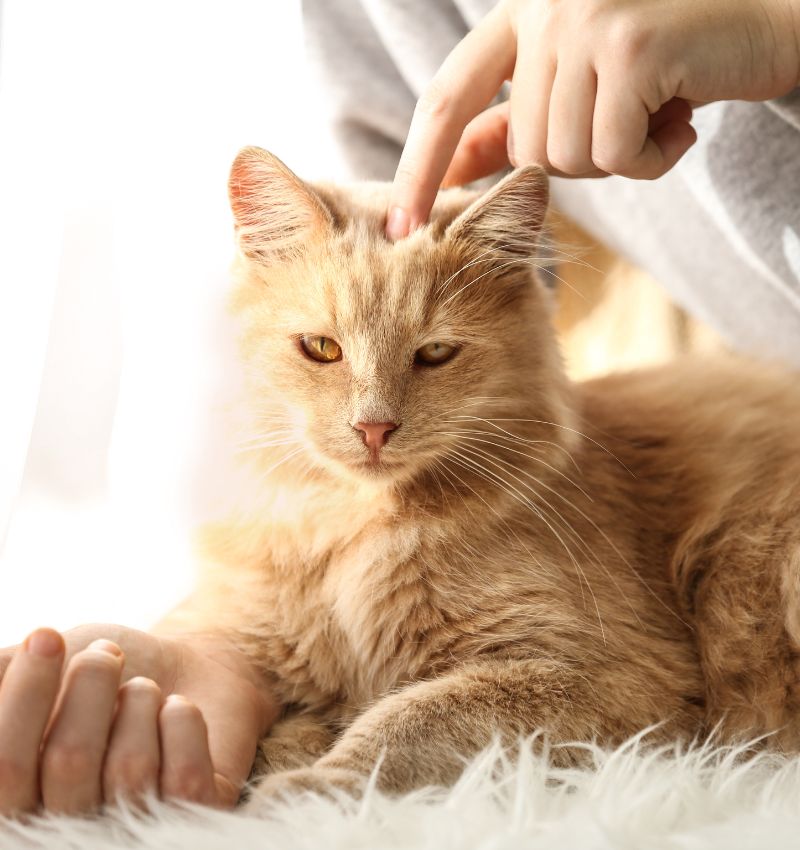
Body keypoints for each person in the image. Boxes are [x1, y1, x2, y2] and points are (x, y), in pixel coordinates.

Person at [1, 0, 798, 816]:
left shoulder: (536, 502)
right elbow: (394, 223)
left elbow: (624, 694)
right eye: (320, 351)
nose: (373, 414)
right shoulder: (367, 20)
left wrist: (781, 35)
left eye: (434, 356)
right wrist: (222, 662)